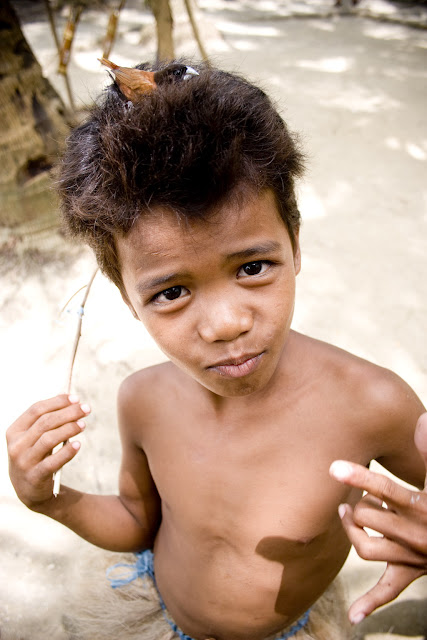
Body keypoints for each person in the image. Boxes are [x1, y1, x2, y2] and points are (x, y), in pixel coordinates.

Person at [6, 60, 427, 640]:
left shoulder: (373, 403)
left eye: (253, 267)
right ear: (129, 298)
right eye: (171, 292)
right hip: (162, 614)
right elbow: (139, 520)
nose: (226, 325)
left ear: (294, 245)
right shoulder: (142, 399)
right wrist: (51, 501)